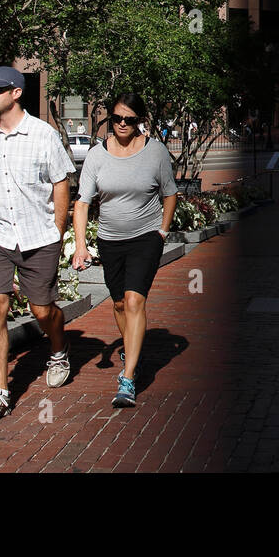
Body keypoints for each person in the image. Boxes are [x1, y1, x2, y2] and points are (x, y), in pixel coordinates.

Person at [0, 66, 76, 424]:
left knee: (42, 310)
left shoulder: (44, 135)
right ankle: (0, 392)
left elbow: (61, 184)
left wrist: (57, 232)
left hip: (38, 235)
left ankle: (58, 349)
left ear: (17, 93)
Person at [72, 94, 178, 408]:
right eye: (117, 118)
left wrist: (162, 230)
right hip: (109, 239)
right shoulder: (96, 155)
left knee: (134, 300)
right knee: (119, 303)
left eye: (129, 120)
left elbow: (170, 194)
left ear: (139, 121)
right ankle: (132, 347)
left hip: (146, 237)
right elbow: (82, 202)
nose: (121, 124)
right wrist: (80, 245)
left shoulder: (155, 152)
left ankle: (128, 377)